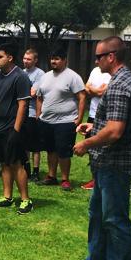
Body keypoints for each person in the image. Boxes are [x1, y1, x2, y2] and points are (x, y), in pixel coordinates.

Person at [68, 37, 131, 260]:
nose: (96, 61)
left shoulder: (121, 85)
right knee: (98, 215)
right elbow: (115, 123)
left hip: (116, 163)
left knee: (114, 220)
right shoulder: (123, 81)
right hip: (108, 162)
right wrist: (94, 127)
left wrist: (87, 143)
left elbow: (115, 131)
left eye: (99, 56)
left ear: (111, 57)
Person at [0, 43, 34, 214]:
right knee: (4, 163)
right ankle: (7, 197)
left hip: (12, 129)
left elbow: (23, 105)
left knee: (16, 163)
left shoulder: (20, 77)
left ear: (10, 58)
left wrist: (16, 130)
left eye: (0, 57)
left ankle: (26, 200)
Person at [35, 50, 86, 191]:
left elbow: (82, 97)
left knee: (63, 152)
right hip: (46, 121)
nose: (53, 61)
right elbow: (39, 97)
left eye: (57, 59)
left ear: (64, 60)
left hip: (65, 121)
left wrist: (79, 118)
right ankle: (51, 176)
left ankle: (65, 179)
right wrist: (38, 115)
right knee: (50, 150)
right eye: (52, 59)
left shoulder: (72, 77)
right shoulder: (45, 77)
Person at [81, 59, 112, 190]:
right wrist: (95, 90)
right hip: (92, 114)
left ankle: (102, 178)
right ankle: (94, 178)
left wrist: (92, 90)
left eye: (99, 58)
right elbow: (85, 86)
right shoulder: (94, 71)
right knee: (91, 148)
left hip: (104, 116)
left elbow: (100, 92)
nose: (95, 61)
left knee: (103, 148)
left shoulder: (109, 74)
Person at [21, 48, 44, 181]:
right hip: (21, 113)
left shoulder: (40, 74)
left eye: (29, 59)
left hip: (33, 113)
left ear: (35, 60)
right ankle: (26, 169)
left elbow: (33, 93)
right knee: (24, 143)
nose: (26, 61)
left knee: (35, 145)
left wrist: (21, 92)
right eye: (24, 58)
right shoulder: (21, 72)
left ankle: (36, 171)